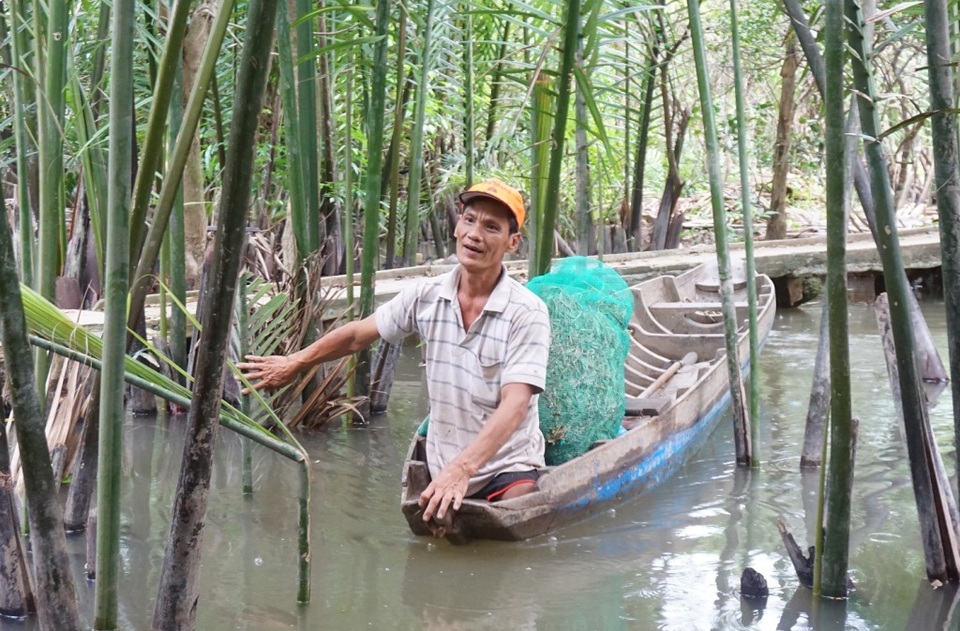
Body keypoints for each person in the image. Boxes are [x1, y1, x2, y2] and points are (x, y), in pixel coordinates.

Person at [238, 178, 551, 526]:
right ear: (457, 226)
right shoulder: (425, 295)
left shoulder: (527, 312)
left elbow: (516, 403)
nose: (475, 234)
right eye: (469, 220)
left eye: (491, 227)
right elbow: (358, 335)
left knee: (517, 517)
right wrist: (295, 361)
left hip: (504, 465)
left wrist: (463, 469)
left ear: (512, 242)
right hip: (443, 459)